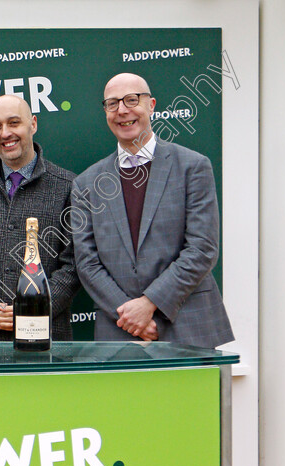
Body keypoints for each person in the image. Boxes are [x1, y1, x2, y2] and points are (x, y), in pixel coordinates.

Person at [72, 73, 233, 347]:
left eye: (131, 100)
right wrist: (130, 315)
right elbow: (87, 263)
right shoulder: (86, 183)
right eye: (112, 104)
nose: (122, 110)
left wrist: (148, 304)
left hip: (189, 326)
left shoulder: (193, 167)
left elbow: (203, 248)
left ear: (152, 105)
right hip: (118, 331)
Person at [0, 95, 80, 341]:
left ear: (33, 124)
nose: (5, 133)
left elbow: (74, 265)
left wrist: (35, 309)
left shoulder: (67, 186)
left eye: (14, 123)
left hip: (48, 337)